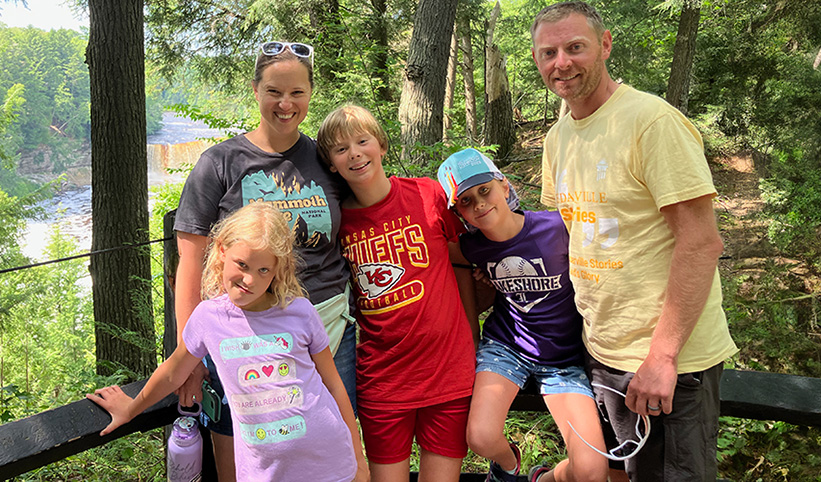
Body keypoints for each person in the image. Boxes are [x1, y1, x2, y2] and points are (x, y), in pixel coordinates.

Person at [530, 2, 738, 481]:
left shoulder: (651, 122)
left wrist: (662, 358)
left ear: (604, 46)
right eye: (549, 52)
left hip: (668, 362)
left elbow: (701, 243)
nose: (561, 62)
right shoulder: (558, 137)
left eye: (575, 47)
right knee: (618, 474)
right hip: (602, 353)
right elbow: (564, 234)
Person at [172, 41, 357, 480]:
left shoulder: (325, 161)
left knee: (329, 451)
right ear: (255, 90)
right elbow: (191, 263)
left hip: (327, 328)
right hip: (242, 338)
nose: (285, 104)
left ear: (311, 94)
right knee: (241, 457)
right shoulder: (219, 163)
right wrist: (190, 356)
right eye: (274, 91)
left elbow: (367, 219)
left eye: (297, 92)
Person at [87, 203, 369, 482]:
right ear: (222, 250)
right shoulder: (209, 318)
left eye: (263, 270)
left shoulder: (300, 311)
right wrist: (131, 408)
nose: (249, 280)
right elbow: (174, 371)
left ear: (277, 269)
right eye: (242, 264)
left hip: (329, 460)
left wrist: (358, 458)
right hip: (264, 471)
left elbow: (333, 384)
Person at [316, 104, 479, 482]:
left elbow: (462, 266)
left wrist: (472, 334)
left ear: (382, 145)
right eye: (341, 149)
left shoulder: (429, 194)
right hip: (382, 381)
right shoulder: (338, 221)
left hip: (447, 373)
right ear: (331, 165)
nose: (354, 152)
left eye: (362, 141)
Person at [437, 148, 609, 482]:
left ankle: (545, 479)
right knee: (482, 437)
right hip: (506, 347)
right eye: (466, 201)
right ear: (459, 212)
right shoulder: (473, 246)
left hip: (564, 358)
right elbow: (432, 247)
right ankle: (509, 465)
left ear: (504, 186)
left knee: (592, 471)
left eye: (484, 190)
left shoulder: (558, 228)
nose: (479, 204)